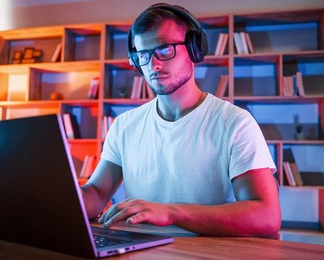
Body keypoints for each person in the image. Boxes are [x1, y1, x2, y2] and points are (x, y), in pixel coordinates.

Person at [81, 3, 281, 239]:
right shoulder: (124, 125)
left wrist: (171, 213)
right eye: (143, 55)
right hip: (138, 255)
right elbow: (95, 192)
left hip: (205, 258)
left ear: (195, 49)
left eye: (164, 50)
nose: (153, 64)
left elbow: (267, 217)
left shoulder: (235, 123)